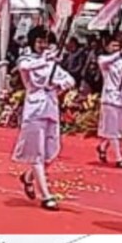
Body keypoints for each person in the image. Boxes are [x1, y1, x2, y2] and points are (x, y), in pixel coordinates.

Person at [13, 27, 75, 210]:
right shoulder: (28, 59)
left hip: (51, 108)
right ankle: (46, 196)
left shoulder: (52, 64)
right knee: (37, 154)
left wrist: (59, 85)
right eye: (40, 42)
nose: (43, 46)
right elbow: (24, 67)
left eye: (47, 42)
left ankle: (28, 177)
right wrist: (44, 60)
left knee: (51, 153)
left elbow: (69, 80)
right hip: (34, 109)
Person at [96, 37, 122, 168]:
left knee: (119, 130)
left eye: (117, 46)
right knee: (113, 130)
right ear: (107, 47)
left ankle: (102, 146)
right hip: (110, 99)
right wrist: (119, 54)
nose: (115, 48)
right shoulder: (104, 61)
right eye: (113, 46)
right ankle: (119, 158)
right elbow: (106, 60)